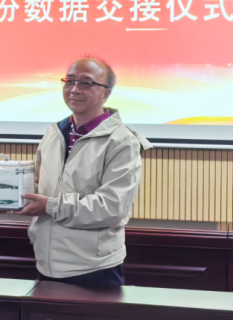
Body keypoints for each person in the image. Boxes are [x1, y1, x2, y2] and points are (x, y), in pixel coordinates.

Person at [15, 56, 149, 287]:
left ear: (106, 93)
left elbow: (111, 208)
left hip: (93, 268)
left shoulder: (122, 141)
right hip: (45, 262)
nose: (75, 89)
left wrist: (51, 206)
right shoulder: (55, 132)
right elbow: (38, 185)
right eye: (70, 81)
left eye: (86, 83)